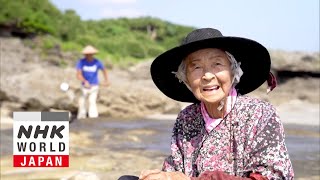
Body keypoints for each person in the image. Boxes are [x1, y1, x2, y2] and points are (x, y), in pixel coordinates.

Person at [119, 28, 294, 180]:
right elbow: (176, 170)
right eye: (196, 67)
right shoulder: (186, 118)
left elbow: (273, 177)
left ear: (233, 71)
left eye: (217, 64)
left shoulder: (260, 113)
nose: (207, 76)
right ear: (185, 78)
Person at [76, 45, 109, 119]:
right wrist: (85, 81)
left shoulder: (97, 62)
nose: (88, 56)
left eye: (90, 54)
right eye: (87, 54)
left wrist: (106, 80)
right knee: (82, 102)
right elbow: (78, 75)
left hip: (94, 85)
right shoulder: (81, 62)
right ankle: (81, 118)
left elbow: (104, 70)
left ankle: (93, 118)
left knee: (92, 101)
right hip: (84, 86)